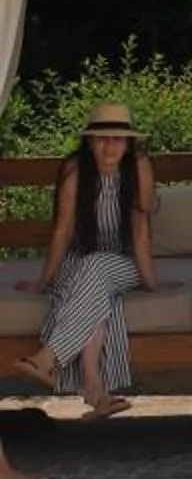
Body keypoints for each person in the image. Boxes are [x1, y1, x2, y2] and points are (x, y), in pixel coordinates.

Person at [14, 101, 156, 417]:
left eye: (118, 139)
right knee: (95, 290)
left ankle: (47, 358)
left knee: (95, 269)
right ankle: (95, 390)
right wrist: (43, 280)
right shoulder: (75, 170)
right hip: (79, 262)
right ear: (89, 142)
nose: (110, 146)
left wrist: (150, 280)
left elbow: (142, 222)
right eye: (102, 138)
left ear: (129, 142)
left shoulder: (137, 168)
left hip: (123, 262)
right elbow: (62, 231)